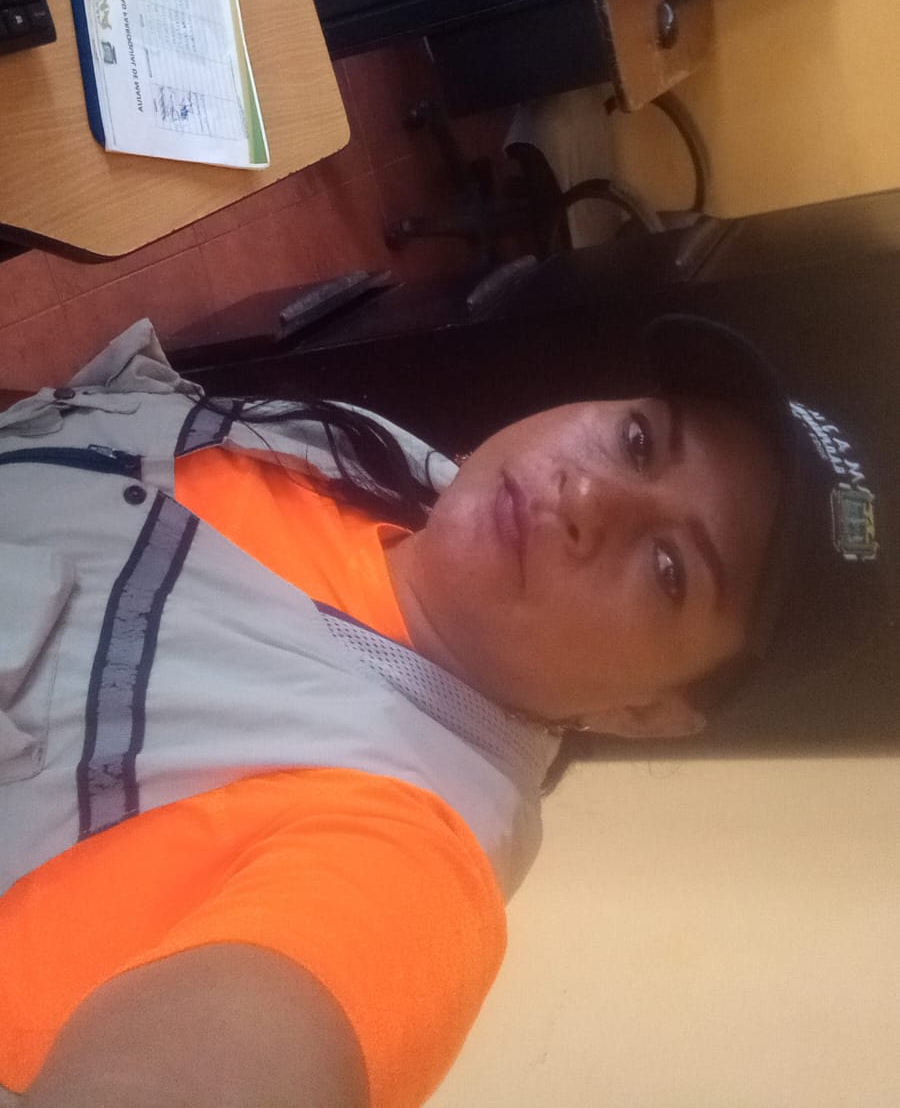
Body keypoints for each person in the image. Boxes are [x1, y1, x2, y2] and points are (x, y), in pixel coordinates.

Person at [0, 313, 880, 1108]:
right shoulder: (398, 468)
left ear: (646, 712)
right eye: (640, 441)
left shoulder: (409, 854)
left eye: (668, 570)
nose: (588, 496)